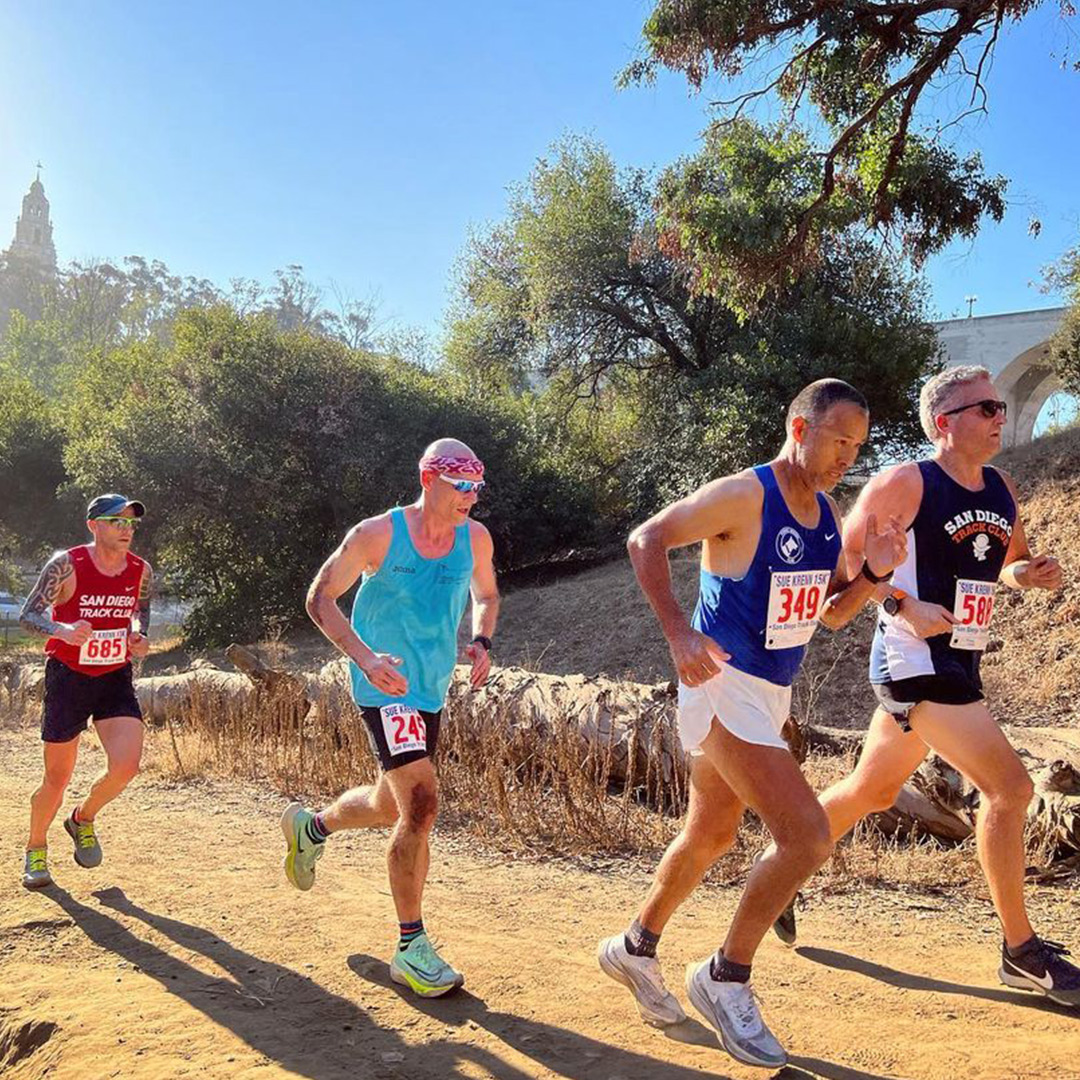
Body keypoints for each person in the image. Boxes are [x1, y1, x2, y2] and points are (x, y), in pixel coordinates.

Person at [598, 380, 907, 1068]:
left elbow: (828, 614)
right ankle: (725, 975)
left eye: (856, 447)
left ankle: (634, 948)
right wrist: (678, 632)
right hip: (720, 684)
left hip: (771, 694)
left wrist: (876, 577)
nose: (845, 458)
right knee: (806, 834)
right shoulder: (745, 493)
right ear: (800, 428)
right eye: (837, 441)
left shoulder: (825, 516)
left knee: (709, 835)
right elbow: (646, 538)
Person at [771, 365, 1080, 1008]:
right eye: (986, 407)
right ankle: (1020, 952)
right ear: (946, 423)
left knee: (873, 788)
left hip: (962, 660)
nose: (1000, 415)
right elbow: (846, 566)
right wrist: (900, 605)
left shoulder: (1001, 487)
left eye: (999, 406)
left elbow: (1009, 563)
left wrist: (1032, 573)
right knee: (1011, 787)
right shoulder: (905, 482)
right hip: (913, 662)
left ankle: (778, 867)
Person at [281, 438, 499, 998]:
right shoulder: (377, 534)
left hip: (430, 687)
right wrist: (366, 658)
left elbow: (488, 595)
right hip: (384, 686)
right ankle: (410, 946)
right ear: (428, 480)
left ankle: (313, 827)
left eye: (477, 487)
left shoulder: (474, 538)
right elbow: (319, 598)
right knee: (422, 805)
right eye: (461, 486)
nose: (470, 498)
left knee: (390, 804)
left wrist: (481, 640)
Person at [19, 494, 152, 889]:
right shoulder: (67, 564)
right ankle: (36, 848)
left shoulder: (141, 569)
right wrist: (63, 630)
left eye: (130, 524)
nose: (125, 530)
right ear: (94, 525)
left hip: (114, 677)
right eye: (117, 522)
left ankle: (83, 818)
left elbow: (139, 610)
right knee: (56, 779)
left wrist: (138, 635)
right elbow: (28, 614)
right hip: (69, 677)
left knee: (126, 766)